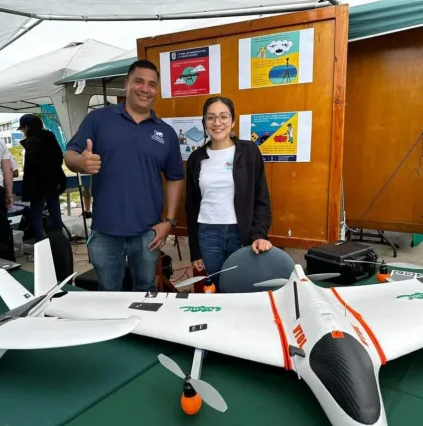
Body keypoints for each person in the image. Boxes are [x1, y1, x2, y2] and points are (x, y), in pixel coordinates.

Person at [64, 59, 184, 292]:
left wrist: (168, 222)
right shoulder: (98, 119)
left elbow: (175, 177)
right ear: (127, 84)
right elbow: (70, 155)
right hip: (105, 231)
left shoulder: (165, 133)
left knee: (146, 291)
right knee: (108, 293)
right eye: (138, 81)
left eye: (151, 84)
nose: (145, 89)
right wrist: (80, 162)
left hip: (147, 232)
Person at [185, 96, 273, 289]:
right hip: (208, 234)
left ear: (233, 121)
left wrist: (259, 234)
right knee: (216, 285)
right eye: (211, 118)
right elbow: (191, 205)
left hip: (240, 233)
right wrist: (195, 251)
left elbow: (261, 198)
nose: (217, 123)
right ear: (204, 123)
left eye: (223, 117)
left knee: (244, 285)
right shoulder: (196, 158)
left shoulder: (249, 151)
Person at [18, 114, 66, 242]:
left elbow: (36, 165)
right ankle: (60, 240)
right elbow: (59, 158)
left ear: (27, 127)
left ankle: (41, 242)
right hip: (54, 182)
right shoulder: (49, 136)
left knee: (36, 214)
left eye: (23, 129)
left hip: (39, 186)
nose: (23, 132)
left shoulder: (32, 141)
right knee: (55, 212)